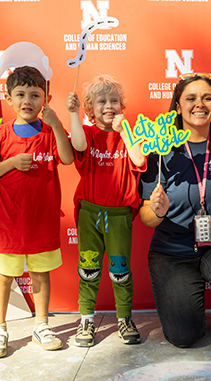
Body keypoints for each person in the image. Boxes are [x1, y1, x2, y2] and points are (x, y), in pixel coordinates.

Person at [139, 73, 211, 348]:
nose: (199, 104)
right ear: (177, 106)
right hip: (173, 250)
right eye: (190, 98)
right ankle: (193, 301)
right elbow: (146, 216)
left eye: (207, 98)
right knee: (184, 337)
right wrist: (157, 210)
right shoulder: (160, 149)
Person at [0, 66, 74, 358]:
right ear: (8, 98)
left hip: (42, 221)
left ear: (46, 98)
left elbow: (68, 159)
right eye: (20, 94)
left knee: (40, 274)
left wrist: (58, 125)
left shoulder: (49, 132)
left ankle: (41, 325)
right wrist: (11, 163)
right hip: (9, 223)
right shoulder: (1, 134)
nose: (27, 100)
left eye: (35, 94)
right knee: (4, 277)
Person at [66, 75, 146, 347]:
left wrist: (125, 131)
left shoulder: (129, 134)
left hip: (120, 214)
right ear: (91, 109)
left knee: (120, 271)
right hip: (90, 213)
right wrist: (74, 115)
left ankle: (124, 318)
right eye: (101, 101)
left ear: (122, 105)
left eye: (114, 100)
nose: (109, 105)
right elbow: (77, 145)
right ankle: (86, 319)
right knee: (88, 268)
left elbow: (138, 159)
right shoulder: (88, 133)